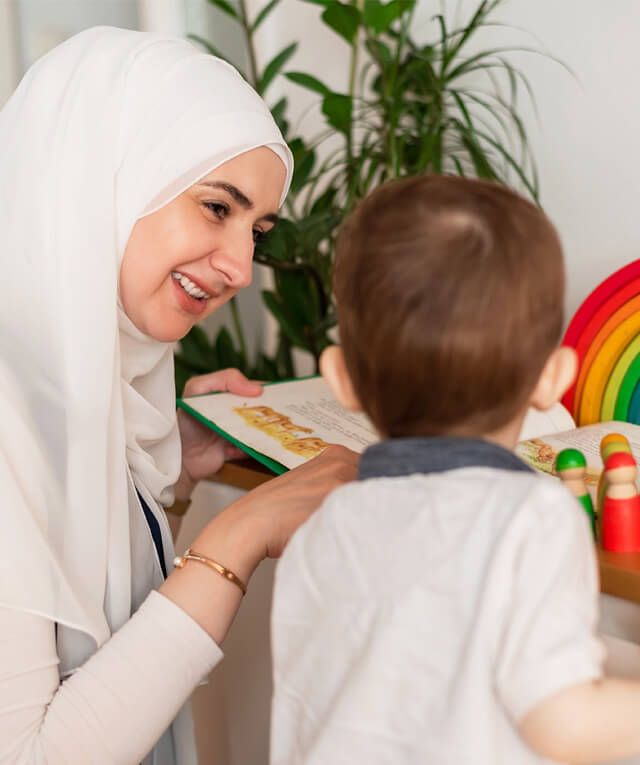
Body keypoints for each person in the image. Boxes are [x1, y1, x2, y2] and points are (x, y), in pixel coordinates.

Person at [0, 26, 358, 764]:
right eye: (216, 207)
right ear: (101, 180)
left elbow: (89, 635)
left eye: (255, 229)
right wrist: (239, 535)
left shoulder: (69, 388)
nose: (239, 266)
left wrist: (173, 483)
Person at [270, 175, 640, 764]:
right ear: (554, 378)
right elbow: (567, 725)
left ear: (340, 379)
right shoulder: (533, 517)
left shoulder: (321, 526)